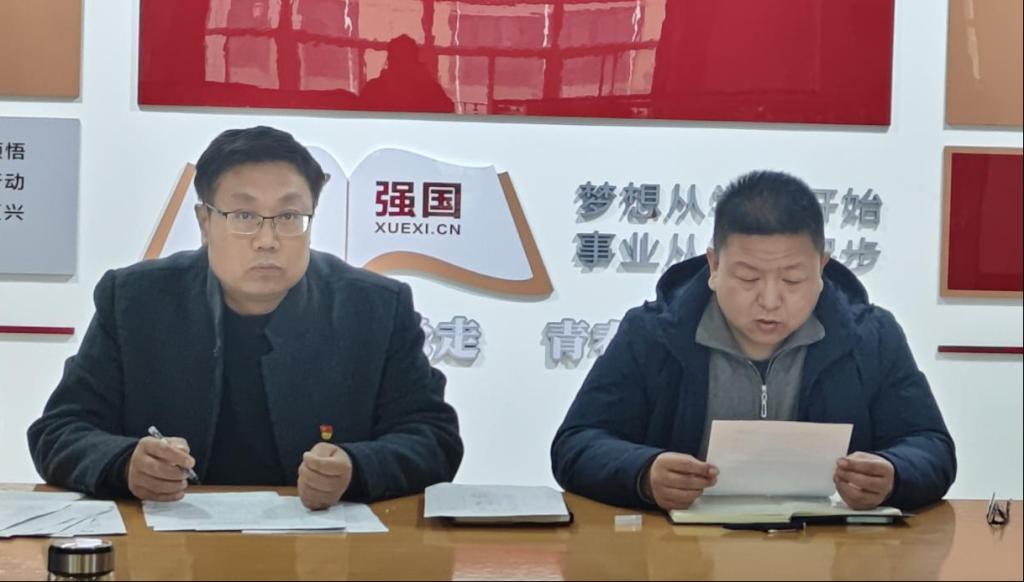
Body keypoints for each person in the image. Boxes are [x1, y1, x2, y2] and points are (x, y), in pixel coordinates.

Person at [29, 126, 463, 509]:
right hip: (168, 554)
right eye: (244, 216)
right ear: (204, 221)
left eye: (289, 216)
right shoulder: (134, 300)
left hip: (326, 553)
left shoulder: (375, 307)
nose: (267, 239)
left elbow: (433, 438)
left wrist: (358, 467)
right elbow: (60, 430)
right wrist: (124, 463)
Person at [551, 170, 955, 511]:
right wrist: (643, 472)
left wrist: (894, 474)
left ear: (822, 268)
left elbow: (930, 446)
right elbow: (577, 444)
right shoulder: (653, 335)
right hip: (681, 555)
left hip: (829, 554)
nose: (770, 300)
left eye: (793, 280)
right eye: (748, 278)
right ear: (714, 265)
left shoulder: (871, 338)